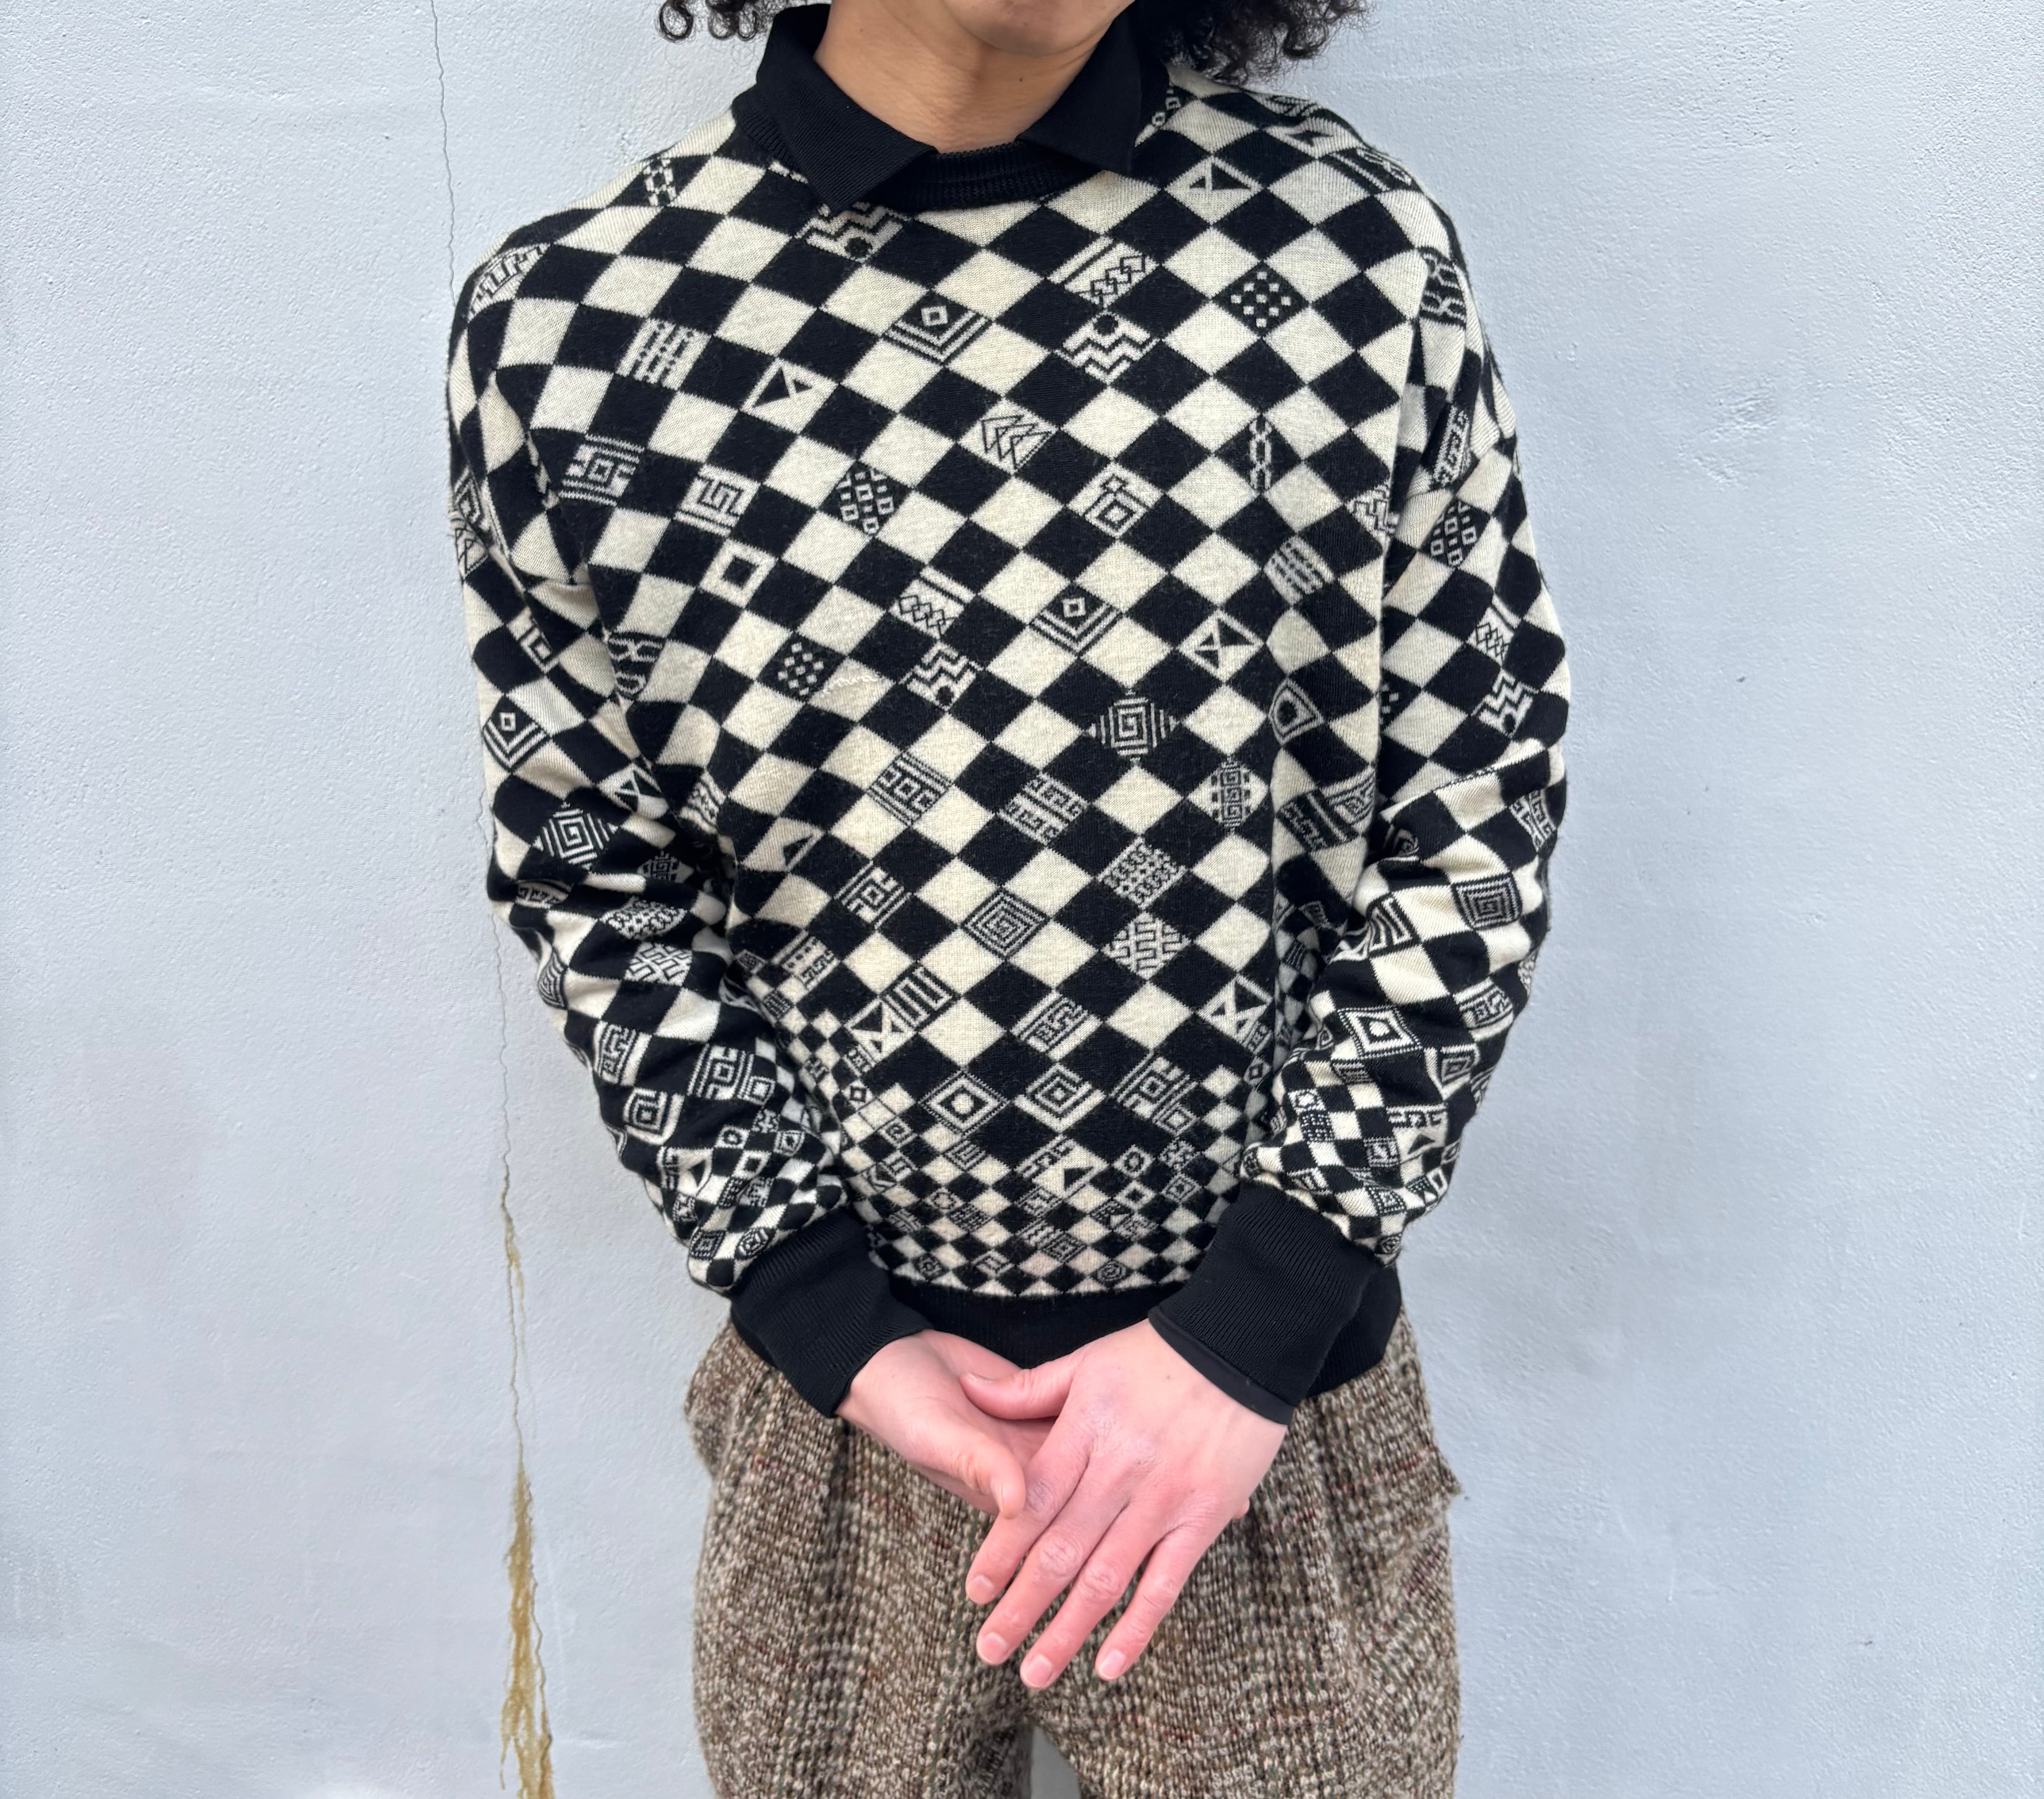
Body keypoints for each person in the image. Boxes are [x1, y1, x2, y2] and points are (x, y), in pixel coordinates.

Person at [445, 0, 1570, 1787]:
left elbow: (1474, 810)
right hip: (843, 1424)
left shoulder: (1345, 249)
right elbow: (599, 883)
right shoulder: (574, 325)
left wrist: (1252, 1321)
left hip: (1266, 1413)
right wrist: (821, 1310)